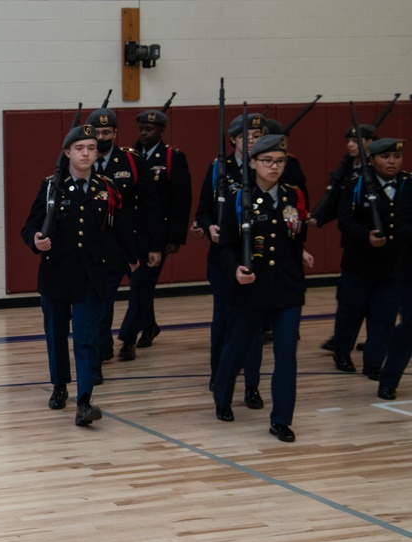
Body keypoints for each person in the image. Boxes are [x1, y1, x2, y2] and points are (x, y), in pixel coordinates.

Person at [22, 124, 139, 426]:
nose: (86, 153)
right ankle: (60, 386)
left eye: (90, 148)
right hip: (57, 272)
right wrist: (36, 239)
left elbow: (118, 226)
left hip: (92, 274)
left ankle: (85, 401)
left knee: (87, 339)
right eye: (79, 148)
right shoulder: (51, 186)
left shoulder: (105, 187)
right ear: (67, 153)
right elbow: (29, 226)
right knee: (57, 336)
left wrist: (132, 257)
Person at [212, 134, 313, 442]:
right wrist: (235, 270)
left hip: (286, 287)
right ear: (253, 162)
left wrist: (302, 254)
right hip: (249, 286)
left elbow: (295, 236)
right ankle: (223, 397)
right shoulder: (238, 198)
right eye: (267, 161)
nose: (274, 166)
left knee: (286, 352)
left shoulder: (293, 197)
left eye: (280, 161)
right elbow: (226, 247)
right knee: (238, 344)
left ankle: (281, 419)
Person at [193, 113, 266, 408]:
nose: (253, 141)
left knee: (255, 326)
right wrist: (209, 226)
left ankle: (252, 385)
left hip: (257, 257)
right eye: (247, 136)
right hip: (224, 256)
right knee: (223, 320)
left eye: (258, 136)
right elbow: (203, 210)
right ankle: (219, 374)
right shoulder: (218, 168)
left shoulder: (266, 169)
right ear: (234, 139)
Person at [84, 108, 163, 366]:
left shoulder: (131, 161)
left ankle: (128, 339)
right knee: (103, 300)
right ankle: (103, 347)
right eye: (97, 132)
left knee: (140, 292)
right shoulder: (82, 161)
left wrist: (155, 245)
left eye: (107, 132)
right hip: (100, 244)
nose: (102, 136)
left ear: (116, 133)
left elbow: (152, 205)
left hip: (132, 240)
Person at [333, 138, 407, 380]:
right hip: (359, 263)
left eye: (396, 157)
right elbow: (345, 220)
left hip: (394, 265)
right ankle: (342, 353)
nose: (392, 162)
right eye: (385, 157)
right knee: (351, 312)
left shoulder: (408, 183)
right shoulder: (357, 183)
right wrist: (366, 236)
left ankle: (374, 362)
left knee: (384, 317)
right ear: (373, 159)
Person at [127, 108, 193, 349]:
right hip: (134, 233)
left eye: (149, 129)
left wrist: (176, 237)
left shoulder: (171, 157)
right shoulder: (130, 155)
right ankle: (150, 325)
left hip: (159, 233)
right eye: (141, 129)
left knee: (141, 283)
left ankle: (131, 333)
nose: (143, 133)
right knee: (140, 284)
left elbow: (181, 200)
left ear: (161, 131)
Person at [309, 124, 377, 354]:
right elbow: (337, 200)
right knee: (349, 295)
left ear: (370, 143)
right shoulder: (348, 167)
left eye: (356, 140)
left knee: (371, 296)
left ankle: (372, 339)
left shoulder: (376, 169)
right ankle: (342, 338)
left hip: (374, 240)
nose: (350, 145)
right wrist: (318, 218)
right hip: (353, 240)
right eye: (348, 141)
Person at [379, 163, 412, 400]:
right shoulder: (409, 185)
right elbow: (402, 226)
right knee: (410, 327)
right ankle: (389, 379)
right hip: (411, 269)